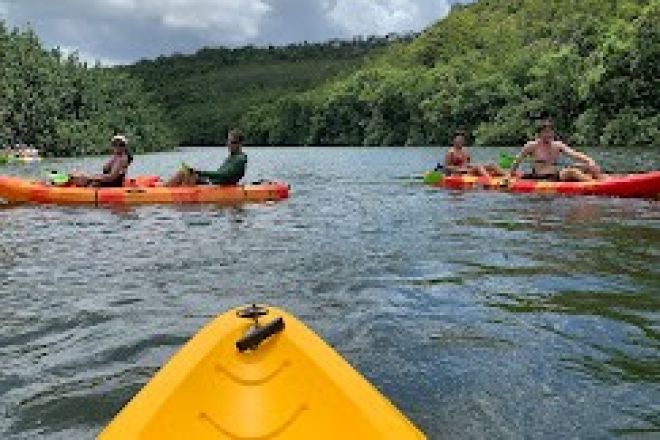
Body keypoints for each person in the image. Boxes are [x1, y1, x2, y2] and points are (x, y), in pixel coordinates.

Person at [508, 119, 603, 182]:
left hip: (555, 174)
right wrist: (511, 175)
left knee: (587, 166)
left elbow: (574, 154)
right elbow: (517, 160)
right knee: (571, 172)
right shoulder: (531, 146)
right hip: (541, 177)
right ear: (539, 134)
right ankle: (595, 184)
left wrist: (589, 161)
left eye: (550, 131)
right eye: (545, 132)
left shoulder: (558, 145)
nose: (549, 134)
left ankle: (604, 179)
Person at [166, 129, 248, 187]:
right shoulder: (232, 156)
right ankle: (166, 189)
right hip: (213, 183)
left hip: (216, 186)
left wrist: (200, 172)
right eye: (228, 142)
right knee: (186, 173)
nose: (229, 145)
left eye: (233, 142)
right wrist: (199, 175)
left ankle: (164, 192)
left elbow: (224, 174)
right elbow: (220, 174)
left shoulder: (240, 159)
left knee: (184, 173)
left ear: (240, 144)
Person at [68, 135, 133, 187]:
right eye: (115, 144)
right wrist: (89, 175)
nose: (118, 147)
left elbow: (111, 177)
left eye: (121, 145)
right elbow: (105, 169)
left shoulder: (122, 159)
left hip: (112, 184)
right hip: (109, 182)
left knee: (85, 180)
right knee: (78, 176)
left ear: (125, 147)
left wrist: (90, 178)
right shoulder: (116, 156)